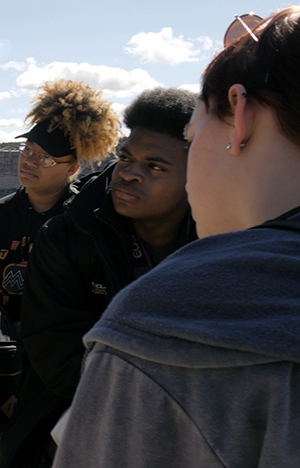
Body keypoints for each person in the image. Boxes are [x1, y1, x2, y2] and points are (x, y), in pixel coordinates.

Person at [53, 8, 300, 466]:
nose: (129, 175)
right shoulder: (71, 231)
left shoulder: (160, 323)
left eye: (192, 131)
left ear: (240, 112)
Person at [0, 87, 199, 467]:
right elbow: (54, 347)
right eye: (126, 158)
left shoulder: (218, 236)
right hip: (83, 405)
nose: (129, 174)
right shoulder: (69, 235)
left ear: (196, 177)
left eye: (155, 167)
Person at [0, 79, 121, 324]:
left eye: (46, 158)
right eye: (27, 148)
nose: (29, 161)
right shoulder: (0, 214)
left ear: (72, 167)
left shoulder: (82, 222)